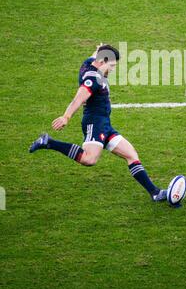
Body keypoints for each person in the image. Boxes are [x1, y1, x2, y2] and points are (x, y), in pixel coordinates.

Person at [29, 44, 167, 202]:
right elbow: (78, 98)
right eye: (112, 65)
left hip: (105, 124)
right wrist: (66, 117)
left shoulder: (89, 63)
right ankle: (49, 142)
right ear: (102, 62)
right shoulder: (93, 79)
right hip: (94, 123)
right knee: (89, 159)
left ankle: (155, 193)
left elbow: (94, 56)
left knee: (131, 154)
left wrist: (100, 49)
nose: (113, 69)